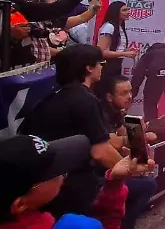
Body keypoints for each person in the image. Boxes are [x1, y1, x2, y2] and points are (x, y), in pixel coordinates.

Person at [18, 45, 122, 218]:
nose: (102, 67)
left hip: (44, 184)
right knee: (144, 186)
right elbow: (100, 153)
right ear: (89, 68)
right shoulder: (85, 100)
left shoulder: (50, 95)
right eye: (100, 63)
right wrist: (131, 171)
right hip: (72, 186)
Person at [0, 134, 155, 229]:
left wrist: (114, 180)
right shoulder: (74, 226)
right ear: (20, 205)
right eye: (54, 171)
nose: (64, 174)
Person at [95, 76, 157, 229]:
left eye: (130, 92)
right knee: (149, 184)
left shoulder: (117, 111)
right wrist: (139, 137)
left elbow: (123, 135)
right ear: (109, 97)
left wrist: (138, 133)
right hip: (94, 174)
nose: (129, 96)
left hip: (105, 168)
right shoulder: (101, 113)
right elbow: (114, 142)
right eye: (123, 93)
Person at [97, 2, 138, 78]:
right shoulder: (109, 27)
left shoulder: (119, 27)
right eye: (124, 10)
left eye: (128, 10)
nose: (128, 12)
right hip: (106, 68)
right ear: (116, 12)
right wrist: (124, 54)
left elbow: (115, 50)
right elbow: (101, 52)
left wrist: (126, 51)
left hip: (116, 66)